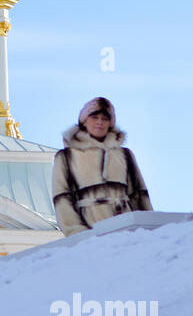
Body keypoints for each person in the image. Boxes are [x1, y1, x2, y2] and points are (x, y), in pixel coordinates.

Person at [52, 97, 152, 236]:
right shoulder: (66, 156)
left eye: (105, 118)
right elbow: (62, 198)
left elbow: (139, 195)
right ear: (84, 121)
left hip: (126, 225)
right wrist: (77, 232)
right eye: (94, 117)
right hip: (90, 224)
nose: (100, 122)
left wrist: (147, 229)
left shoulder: (125, 155)